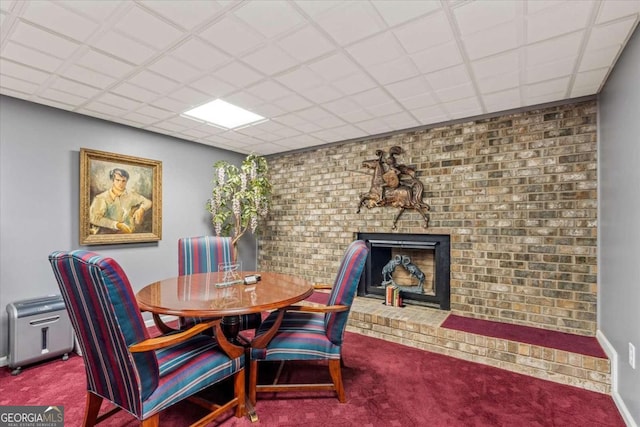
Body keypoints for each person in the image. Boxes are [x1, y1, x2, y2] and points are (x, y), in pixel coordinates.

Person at [89, 168, 152, 234]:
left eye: (123, 181)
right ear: (112, 180)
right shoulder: (101, 198)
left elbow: (148, 202)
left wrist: (141, 209)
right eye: (118, 180)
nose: (121, 183)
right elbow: (93, 218)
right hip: (106, 234)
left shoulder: (131, 195)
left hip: (128, 233)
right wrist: (117, 225)